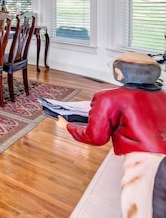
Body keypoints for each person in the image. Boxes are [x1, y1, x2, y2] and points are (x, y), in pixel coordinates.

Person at [57, 52, 166, 217]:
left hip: (146, 164)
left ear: (119, 73)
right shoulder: (163, 96)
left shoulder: (107, 97)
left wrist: (68, 126)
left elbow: (96, 137)